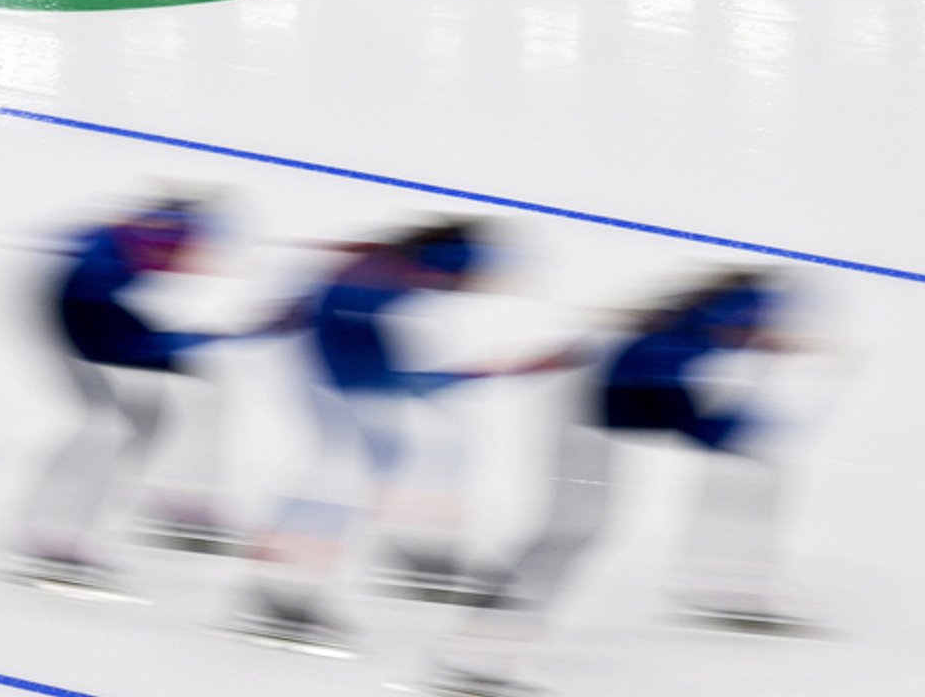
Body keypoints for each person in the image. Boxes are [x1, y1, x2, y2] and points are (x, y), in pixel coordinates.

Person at [423, 265, 808, 697]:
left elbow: (660, 402)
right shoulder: (668, 344)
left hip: (590, 410)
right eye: (751, 323)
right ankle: (474, 651)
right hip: (585, 415)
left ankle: (477, 647)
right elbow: (645, 408)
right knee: (570, 531)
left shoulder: (688, 330)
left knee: (573, 531)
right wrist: (724, 431)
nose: (757, 331)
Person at [230, 218, 494, 653]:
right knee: (345, 478)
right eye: (450, 272)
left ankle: (412, 553)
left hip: (347, 377)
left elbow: (340, 323)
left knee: (402, 458)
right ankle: (278, 591)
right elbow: (332, 326)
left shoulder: (386, 274)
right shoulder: (369, 281)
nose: (450, 284)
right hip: (333, 380)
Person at [7, 194, 237, 593]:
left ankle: (174, 498)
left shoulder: (125, 250)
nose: (189, 265)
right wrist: (183, 341)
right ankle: (48, 531)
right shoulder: (104, 265)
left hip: (88, 308)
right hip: (74, 313)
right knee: (106, 426)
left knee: (160, 411)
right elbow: (116, 335)